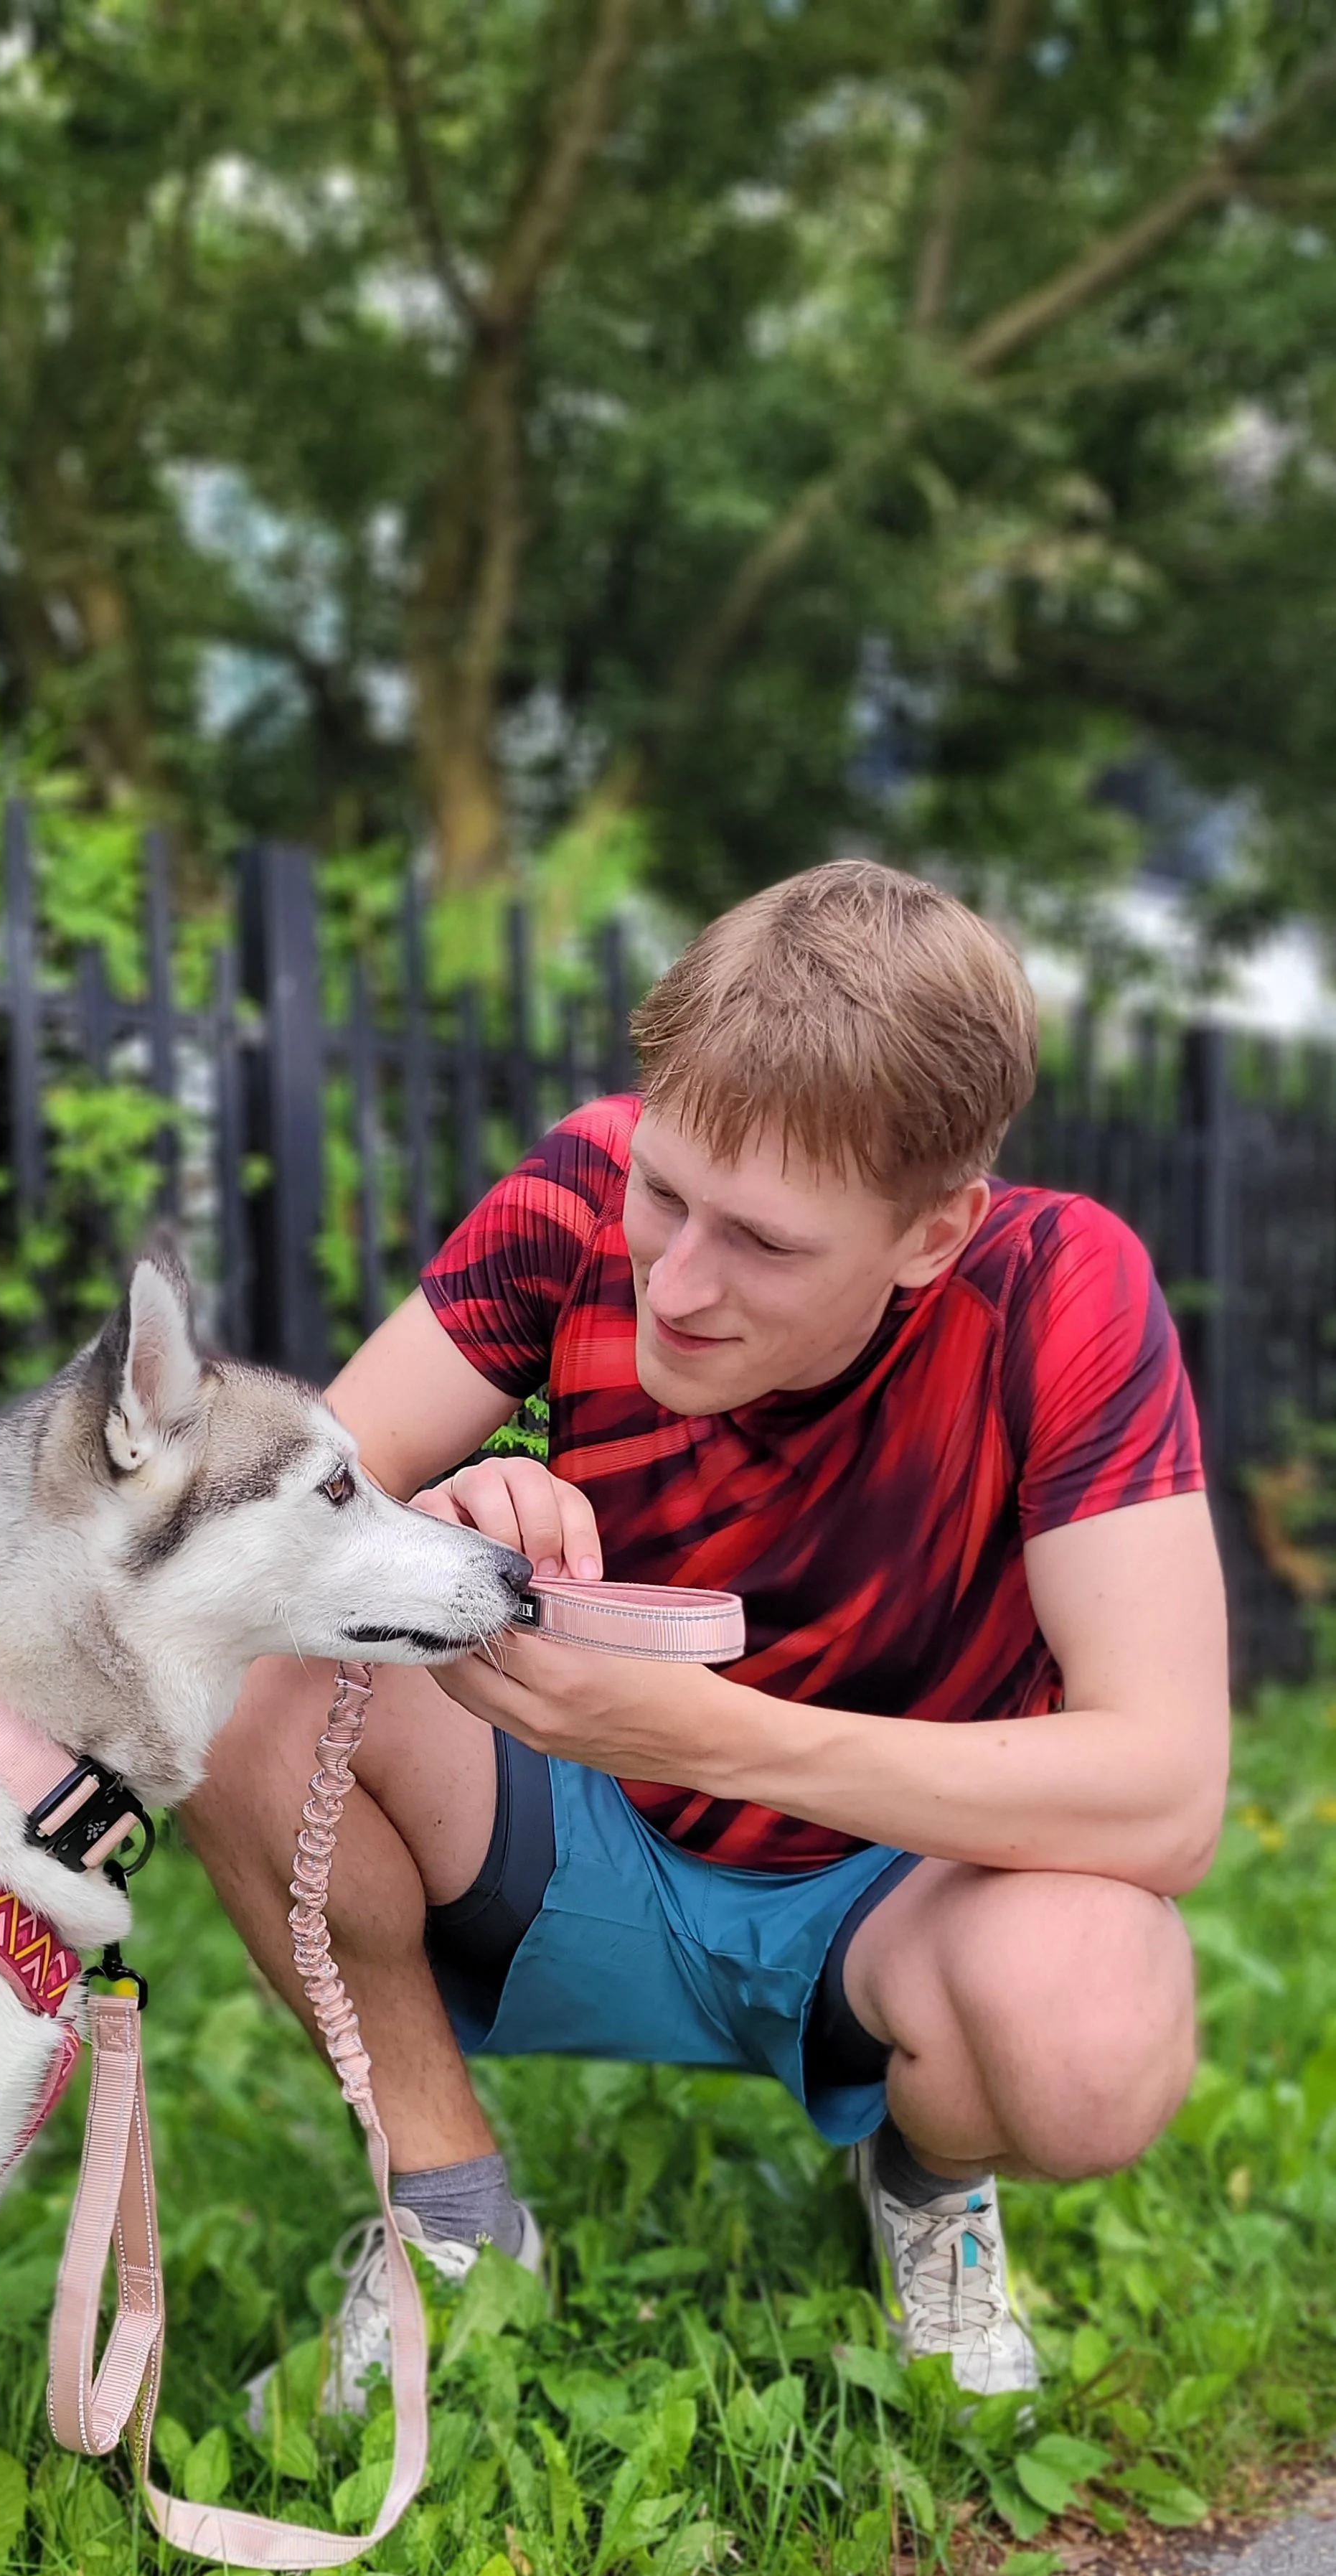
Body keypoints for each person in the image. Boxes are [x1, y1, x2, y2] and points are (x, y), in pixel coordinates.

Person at [184, 860, 1229, 2408]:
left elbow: (1163, 1793)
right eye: (663, 1192)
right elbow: (254, 1525)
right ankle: (455, 2221)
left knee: (1088, 2035)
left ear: (929, 1234)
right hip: (576, 1839)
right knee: (252, 1666)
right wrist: (444, 1524)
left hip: (890, 1897)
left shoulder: (1057, 1290)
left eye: (762, 1241)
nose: (673, 1283)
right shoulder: (570, 1189)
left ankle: (923, 2173)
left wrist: (705, 1731)